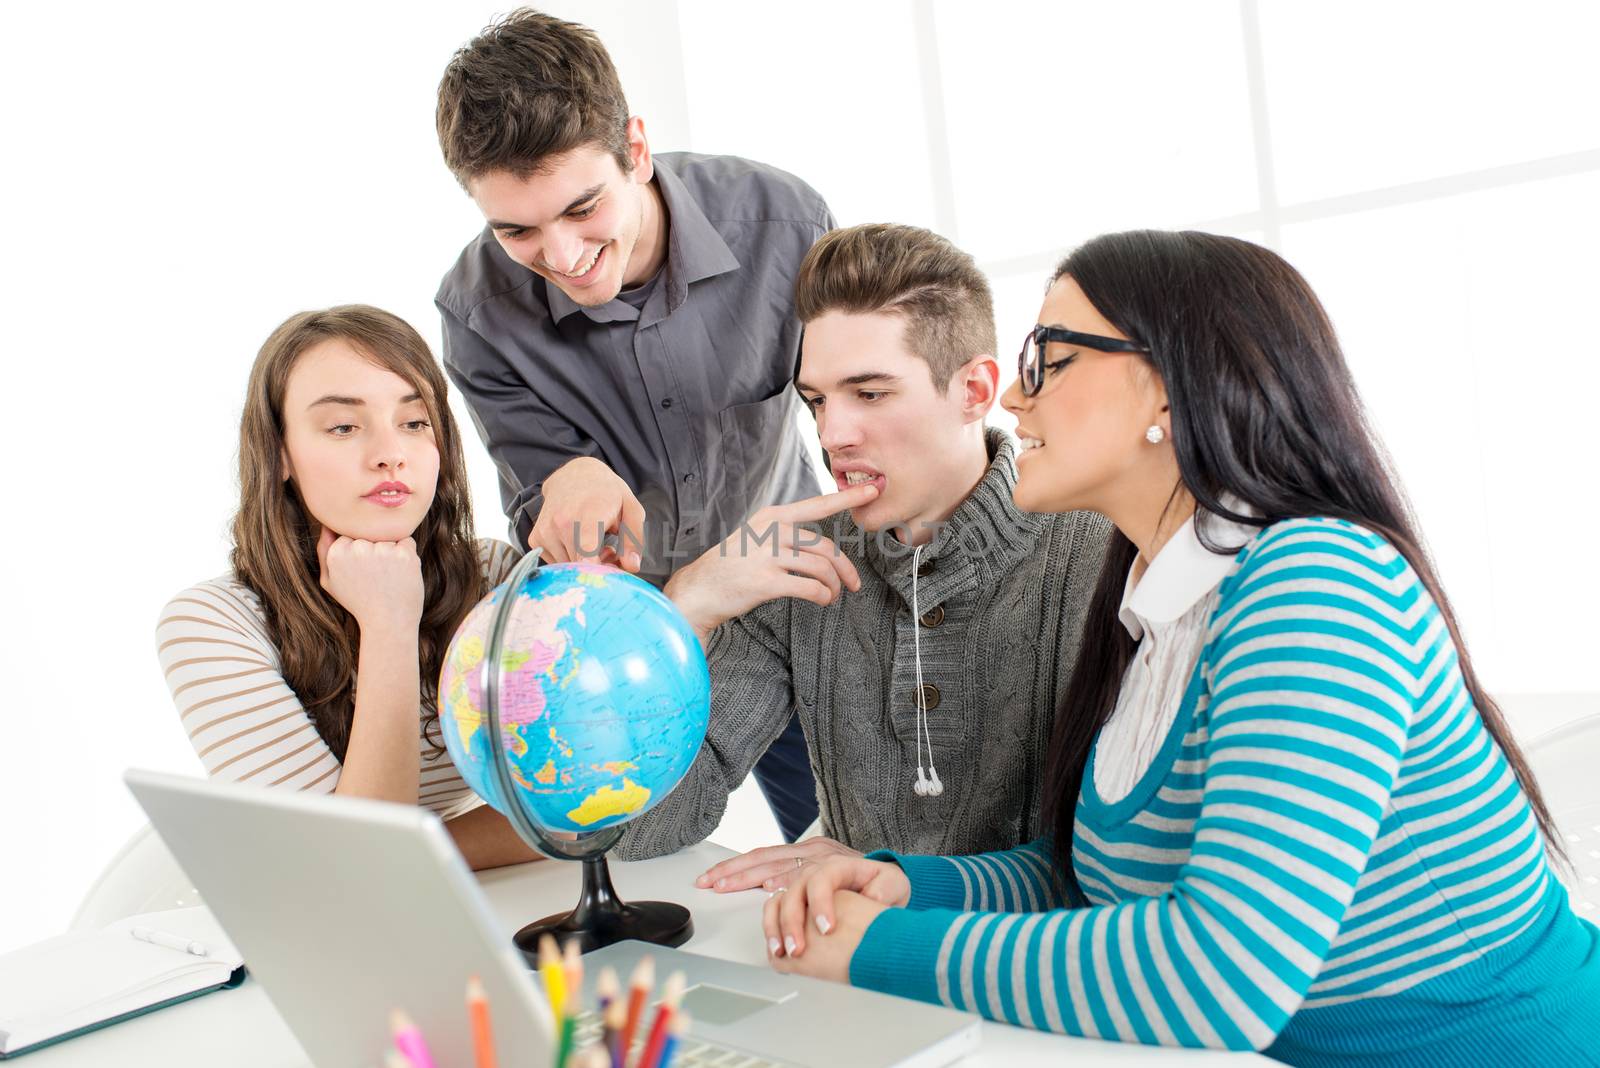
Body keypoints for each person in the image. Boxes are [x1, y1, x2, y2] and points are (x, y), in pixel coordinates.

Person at [761, 230, 1600, 1065]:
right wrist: (910, 888)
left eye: (1048, 358)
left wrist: (882, 949)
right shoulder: (1155, 608)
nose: (1016, 402)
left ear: (1165, 391)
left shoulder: (1317, 579)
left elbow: (1221, 972)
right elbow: (1101, 883)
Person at [433, 9, 832, 842]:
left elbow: (859, 406)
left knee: (843, 846)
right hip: (626, 659)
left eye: (583, 207)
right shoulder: (477, 312)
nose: (564, 253)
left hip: (793, 603)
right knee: (642, 874)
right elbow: (540, 511)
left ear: (637, 150)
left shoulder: (786, 225)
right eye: (516, 230)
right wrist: (559, 485)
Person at [612, 224, 1111, 885]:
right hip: (849, 972)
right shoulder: (796, 565)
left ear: (975, 390)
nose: (830, 434)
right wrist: (684, 612)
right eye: (815, 400)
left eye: (870, 394)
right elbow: (636, 832)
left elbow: (1123, 871)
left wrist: (895, 877)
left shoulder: (1102, 550)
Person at [155, 306, 539, 870]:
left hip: (467, 908)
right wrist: (387, 622)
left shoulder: (493, 577)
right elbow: (357, 865)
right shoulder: (210, 624)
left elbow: (582, 809)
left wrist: (419, 853)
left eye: (414, 422)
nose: (391, 453)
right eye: (343, 426)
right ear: (279, 453)